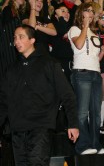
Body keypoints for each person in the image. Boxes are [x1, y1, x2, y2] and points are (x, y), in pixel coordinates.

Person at [0, 24, 79, 166]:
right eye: (15, 38)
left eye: (21, 37)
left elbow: (67, 94)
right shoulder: (11, 70)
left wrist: (73, 124)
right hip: (17, 130)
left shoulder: (49, 64)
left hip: (40, 127)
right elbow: (3, 102)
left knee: (37, 162)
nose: (16, 41)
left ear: (32, 40)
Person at [68, 2, 104, 155]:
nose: (91, 14)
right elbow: (78, 45)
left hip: (95, 73)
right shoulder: (74, 29)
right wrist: (85, 26)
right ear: (81, 13)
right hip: (82, 73)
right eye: (88, 11)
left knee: (96, 112)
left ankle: (96, 145)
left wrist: (103, 52)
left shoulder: (93, 33)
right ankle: (82, 146)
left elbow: (94, 58)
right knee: (83, 112)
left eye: (92, 11)